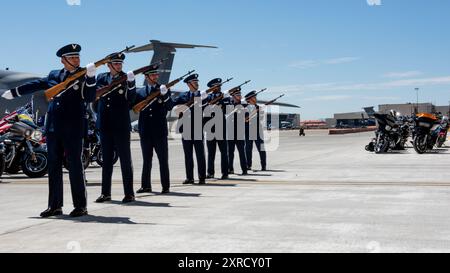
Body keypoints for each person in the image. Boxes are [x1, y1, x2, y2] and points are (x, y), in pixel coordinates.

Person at [2, 44, 97, 217]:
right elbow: (37, 84)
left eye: (78, 57)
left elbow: (90, 97)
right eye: (73, 57)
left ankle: (80, 206)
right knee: (53, 167)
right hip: (53, 127)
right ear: (64, 60)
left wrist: (91, 78)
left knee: (75, 166)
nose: (77, 60)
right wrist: (15, 92)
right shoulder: (55, 75)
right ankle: (55, 205)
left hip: (73, 128)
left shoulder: (84, 76)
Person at [95, 52, 136, 203]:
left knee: (125, 160)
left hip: (121, 125)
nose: (119, 65)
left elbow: (131, 99)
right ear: (109, 64)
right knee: (106, 161)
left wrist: (131, 84)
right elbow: (95, 95)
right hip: (105, 124)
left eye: (120, 63)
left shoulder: (127, 78)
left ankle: (129, 193)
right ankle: (105, 193)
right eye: (116, 63)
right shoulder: (101, 78)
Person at [135, 65, 173, 194]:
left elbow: (169, 106)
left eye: (156, 75)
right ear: (146, 77)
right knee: (147, 160)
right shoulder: (140, 92)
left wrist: (165, 95)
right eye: (152, 75)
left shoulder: (164, 90)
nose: (155, 77)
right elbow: (134, 107)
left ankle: (165, 186)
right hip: (145, 131)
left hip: (159, 131)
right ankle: (146, 186)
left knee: (163, 159)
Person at [173, 74, 208, 185]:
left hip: (198, 129)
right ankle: (190, 177)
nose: (197, 83)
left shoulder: (202, 96)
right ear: (189, 84)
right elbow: (172, 105)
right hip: (186, 129)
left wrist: (205, 99)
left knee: (200, 155)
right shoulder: (183, 96)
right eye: (194, 82)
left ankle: (202, 178)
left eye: (197, 82)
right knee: (188, 155)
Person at [205, 78, 229, 180]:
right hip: (210, 127)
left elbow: (227, 108)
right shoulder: (207, 97)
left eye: (219, 86)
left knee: (223, 151)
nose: (219, 87)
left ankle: (225, 173)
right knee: (211, 152)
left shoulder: (224, 97)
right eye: (216, 86)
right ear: (211, 88)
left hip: (221, 127)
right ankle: (210, 173)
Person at [226, 88, 248, 175]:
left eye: (240, 95)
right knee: (230, 153)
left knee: (242, 152)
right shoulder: (228, 105)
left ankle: (244, 169)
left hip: (239, 132)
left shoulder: (244, 106)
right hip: (230, 132)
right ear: (233, 96)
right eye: (238, 95)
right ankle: (230, 169)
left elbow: (247, 118)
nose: (240, 96)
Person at [244, 91, 267, 171]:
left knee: (261, 149)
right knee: (248, 149)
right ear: (249, 99)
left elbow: (261, 118)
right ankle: (248, 165)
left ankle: (263, 165)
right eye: (254, 97)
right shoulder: (245, 108)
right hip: (248, 131)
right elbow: (245, 120)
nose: (256, 99)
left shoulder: (258, 107)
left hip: (258, 130)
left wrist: (260, 111)